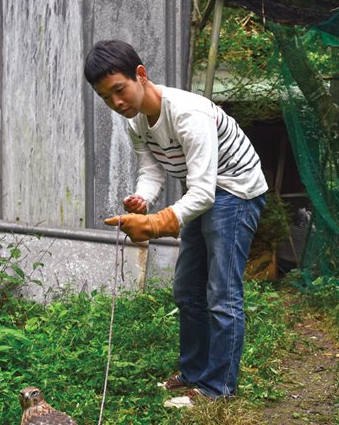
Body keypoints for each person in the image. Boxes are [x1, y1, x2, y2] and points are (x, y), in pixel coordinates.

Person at [85, 40, 268, 401]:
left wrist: (154, 224)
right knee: (186, 290)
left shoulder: (187, 114)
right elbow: (152, 168)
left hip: (236, 190)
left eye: (119, 90)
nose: (116, 103)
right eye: (107, 98)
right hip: (205, 192)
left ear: (140, 75)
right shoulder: (137, 121)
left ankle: (218, 389)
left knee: (222, 292)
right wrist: (144, 199)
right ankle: (194, 372)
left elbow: (202, 193)